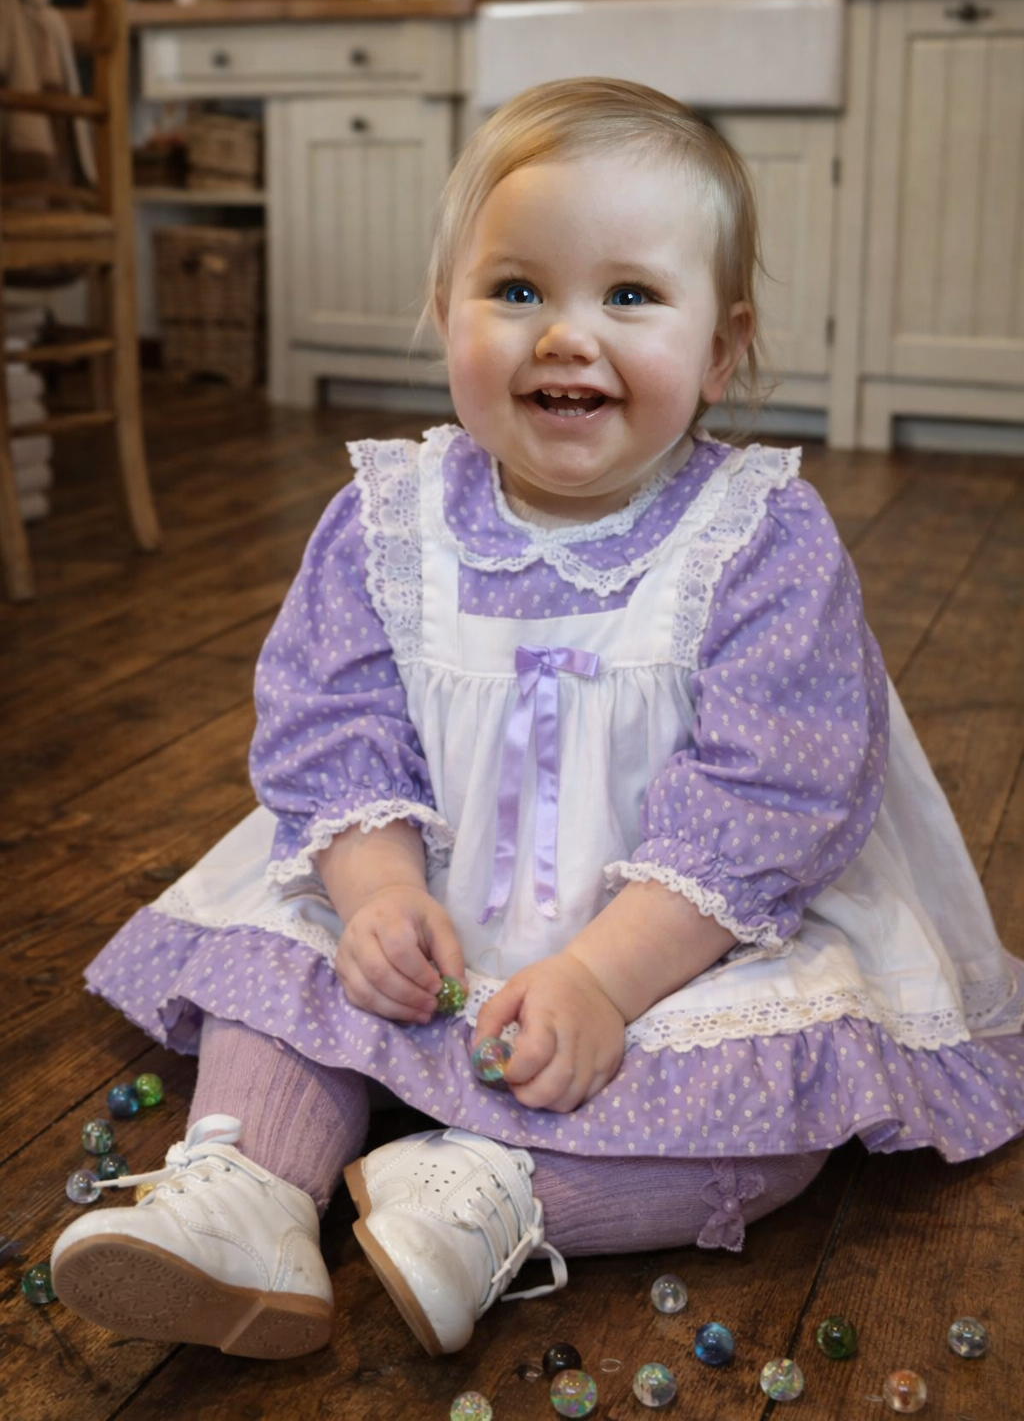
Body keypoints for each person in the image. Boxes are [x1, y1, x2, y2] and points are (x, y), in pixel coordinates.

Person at [52, 78, 1024, 1361]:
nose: (566, 335)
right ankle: (247, 1190)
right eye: (516, 291)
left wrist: (604, 980)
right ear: (442, 313)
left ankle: (492, 1195)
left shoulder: (759, 539)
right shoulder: (388, 521)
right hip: (435, 893)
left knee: (775, 1116)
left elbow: (772, 797)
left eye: (629, 295)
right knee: (282, 986)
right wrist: (376, 892)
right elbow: (328, 727)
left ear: (721, 348)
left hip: (681, 941)